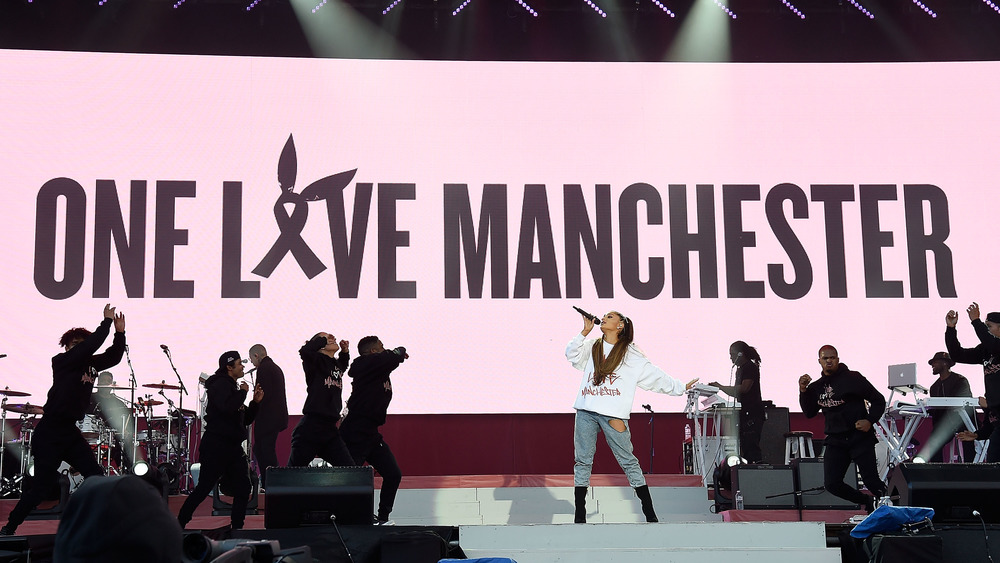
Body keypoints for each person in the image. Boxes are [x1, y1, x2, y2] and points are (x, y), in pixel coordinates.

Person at [0, 304, 126, 536]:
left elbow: (114, 356)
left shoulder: (90, 365)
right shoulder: (61, 361)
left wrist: (120, 333)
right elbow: (90, 346)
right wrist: (105, 324)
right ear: (67, 347)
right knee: (40, 488)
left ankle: (105, 526)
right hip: (50, 431)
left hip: (69, 432)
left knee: (96, 476)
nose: (79, 348)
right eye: (74, 345)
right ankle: (10, 526)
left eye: (81, 344)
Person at [566, 311, 696, 524]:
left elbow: (654, 376)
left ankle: (649, 512)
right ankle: (580, 516)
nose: (604, 318)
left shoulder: (631, 354)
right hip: (586, 411)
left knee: (628, 461)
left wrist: (680, 387)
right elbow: (572, 355)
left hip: (613, 414)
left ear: (621, 325)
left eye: (610, 316)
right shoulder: (592, 346)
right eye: (604, 316)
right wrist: (584, 332)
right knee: (582, 461)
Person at [177, 351, 263, 530]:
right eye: (239, 364)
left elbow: (243, 419)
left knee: (243, 487)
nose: (243, 367)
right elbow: (227, 408)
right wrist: (243, 393)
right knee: (204, 488)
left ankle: (237, 528)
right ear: (229, 367)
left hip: (232, 447)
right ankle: (179, 523)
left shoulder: (231, 387)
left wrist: (255, 403)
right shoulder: (221, 385)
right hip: (217, 445)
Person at [799, 345, 886, 513]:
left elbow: (878, 400)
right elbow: (809, 412)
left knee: (871, 481)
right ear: (820, 361)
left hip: (859, 437)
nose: (829, 361)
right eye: (825, 358)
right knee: (832, 484)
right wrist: (803, 390)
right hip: (836, 440)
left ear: (838, 359)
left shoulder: (853, 378)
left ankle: (894, 506)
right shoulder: (816, 387)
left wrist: (869, 420)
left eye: (832, 358)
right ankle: (867, 501)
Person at [340, 336, 408, 525]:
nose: (385, 349)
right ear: (373, 352)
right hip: (355, 431)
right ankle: (351, 518)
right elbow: (393, 356)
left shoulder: (380, 370)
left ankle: (383, 518)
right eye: (381, 347)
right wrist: (398, 352)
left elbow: (392, 360)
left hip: (371, 433)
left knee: (393, 474)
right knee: (351, 480)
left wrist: (397, 356)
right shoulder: (364, 365)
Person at [287, 333, 356, 467]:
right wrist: (322, 339)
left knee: (349, 470)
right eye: (326, 338)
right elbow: (305, 351)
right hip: (311, 428)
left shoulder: (334, 365)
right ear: (320, 346)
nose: (332, 338)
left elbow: (342, 366)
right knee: (292, 476)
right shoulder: (315, 361)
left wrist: (345, 352)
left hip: (330, 429)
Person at [945, 303, 1000, 462]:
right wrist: (951, 329)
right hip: (997, 420)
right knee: (994, 468)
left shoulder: (994, 347)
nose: (987, 330)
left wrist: (975, 321)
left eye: (989, 326)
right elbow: (957, 355)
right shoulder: (985, 350)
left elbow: (993, 345)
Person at [709, 341, 765, 464]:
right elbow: (736, 392)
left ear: (741, 354)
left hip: (752, 414)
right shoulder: (740, 369)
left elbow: (744, 389)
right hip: (744, 413)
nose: (731, 358)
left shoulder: (750, 367)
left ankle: (755, 473)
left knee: (751, 447)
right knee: (745, 447)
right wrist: (719, 388)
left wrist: (721, 387)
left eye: (732, 354)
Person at [248, 344, 288, 489]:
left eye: (251, 359)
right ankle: (270, 482)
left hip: (268, 417)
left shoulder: (264, 369)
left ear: (256, 356)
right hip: (276, 417)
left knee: (264, 450)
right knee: (262, 449)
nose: (251, 362)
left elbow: (263, 395)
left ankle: (270, 483)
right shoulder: (275, 367)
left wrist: (254, 407)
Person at [926, 351, 976, 463]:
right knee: (933, 442)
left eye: (935, 362)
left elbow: (963, 403)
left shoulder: (960, 380)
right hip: (945, 423)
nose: (932, 366)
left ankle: (971, 471)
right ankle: (937, 474)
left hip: (963, 421)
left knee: (967, 440)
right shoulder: (934, 387)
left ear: (945, 363)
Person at [88, 371, 135, 470]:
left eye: (108, 381)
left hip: (112, 437)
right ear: (98, 383)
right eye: (103, 381)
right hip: (92, 435)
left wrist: (126, 431)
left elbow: (128, 421)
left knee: (125, 444)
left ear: (112, 384)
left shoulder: (118, 403)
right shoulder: (89, 398)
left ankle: (124, 471)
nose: (105, 383)